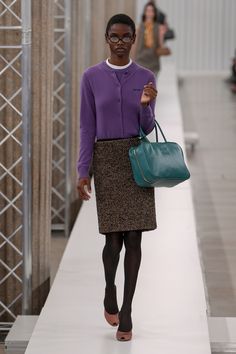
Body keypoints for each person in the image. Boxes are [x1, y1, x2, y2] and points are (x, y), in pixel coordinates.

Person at [77, 13, 158, 341]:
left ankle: (126, 311)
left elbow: (149, 127)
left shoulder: (146, 75)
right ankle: (110, 289)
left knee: (135, 239)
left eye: (126, 37)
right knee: (112, 241)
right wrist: (84, 170)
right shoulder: (91, 77)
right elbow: (87, 127)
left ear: (134, 38)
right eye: (115, 36)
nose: (120, 42)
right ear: (106, 38)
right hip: (107, 160)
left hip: (137, 158)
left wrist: (145, 105)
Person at [133, 1, 170, 76]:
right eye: (147, 11)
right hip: (141, 62)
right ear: (144, 13)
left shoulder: (158, 27)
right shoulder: (139, 27)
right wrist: (133, 60)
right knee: (141, 86)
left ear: (154, 13)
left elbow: (161, 46)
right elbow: (135, 45)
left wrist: (162, 35)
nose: (149, 13)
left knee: (151, 86)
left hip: (154, 63)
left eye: (151, 11)